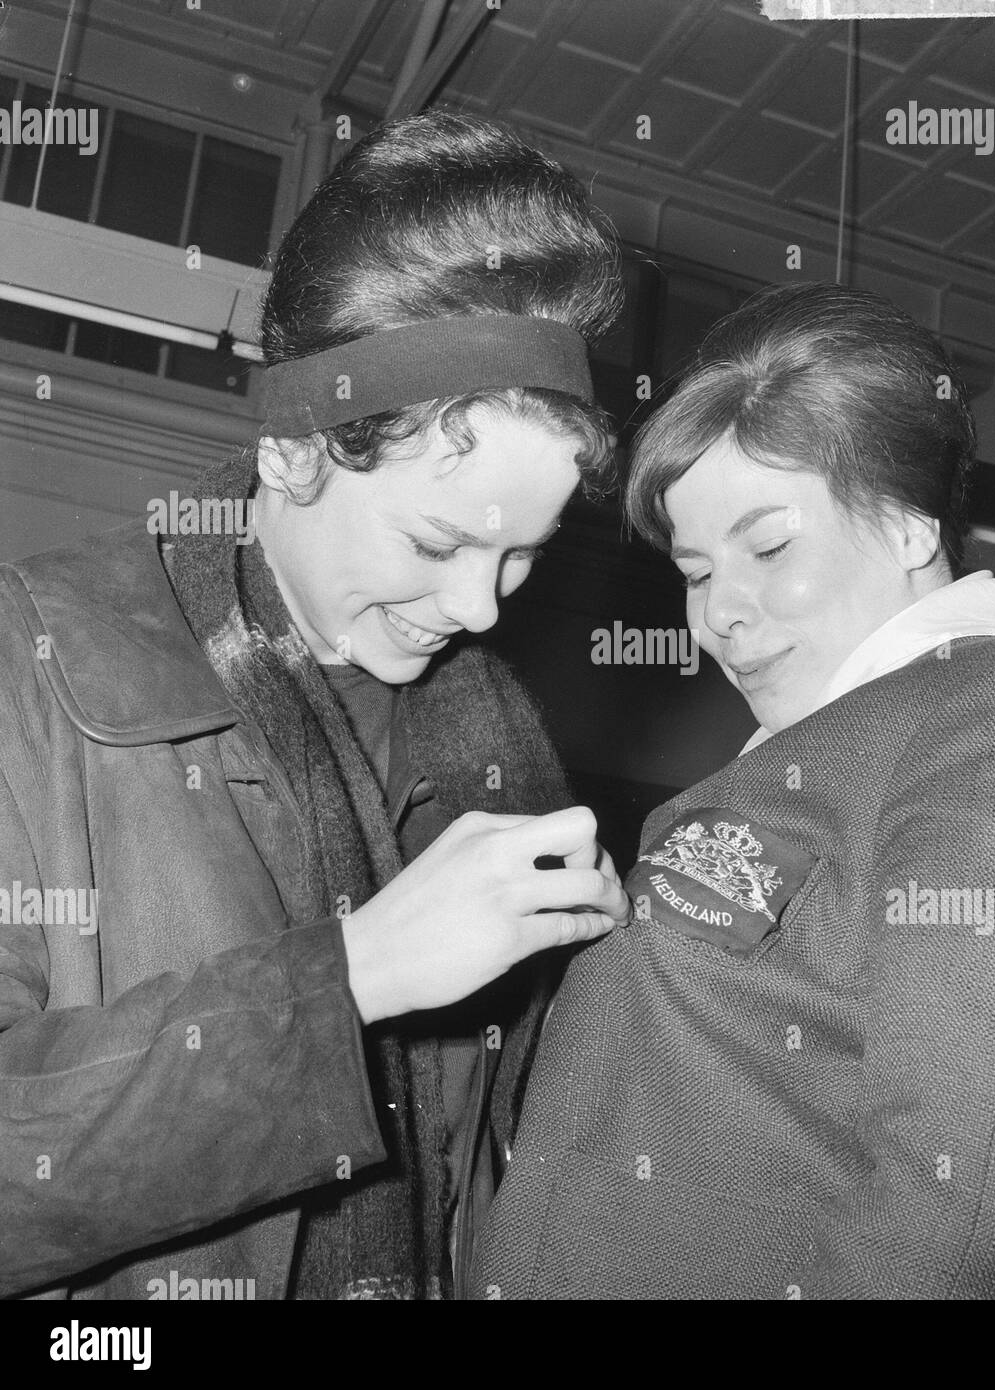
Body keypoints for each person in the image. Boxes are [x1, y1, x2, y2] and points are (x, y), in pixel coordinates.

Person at [0, 111, 629, 1301]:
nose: (482, 610)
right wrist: (346, 977)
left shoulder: (499, 762)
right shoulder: (29, 665)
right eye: (439, 539)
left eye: (522, 554)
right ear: (293, 451)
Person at [472, 282, 995, 1300]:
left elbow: (976, 1217)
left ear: (906, 528)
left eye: (767, 546)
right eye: (695, 567)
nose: (719, 613)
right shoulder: (824, 751)